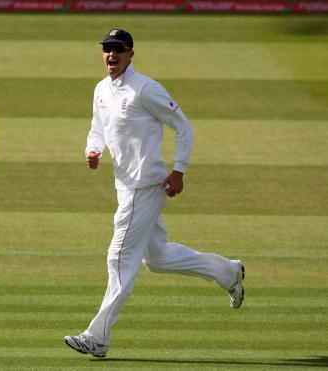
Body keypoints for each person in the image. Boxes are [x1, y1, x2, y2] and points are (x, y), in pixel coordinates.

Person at [63, 29, 244, 357]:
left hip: (146, 185)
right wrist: (93, 150)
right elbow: (97, 127)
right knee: (157, 258)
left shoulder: (146, 89)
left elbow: (182, 126)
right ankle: (227, 271)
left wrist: (179, 170)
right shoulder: (102, 89)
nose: (111, 55)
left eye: (118, 49)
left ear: (131, 53)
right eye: (107, 49)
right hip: (124, 185)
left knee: (118, 258)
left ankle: (97, 336)